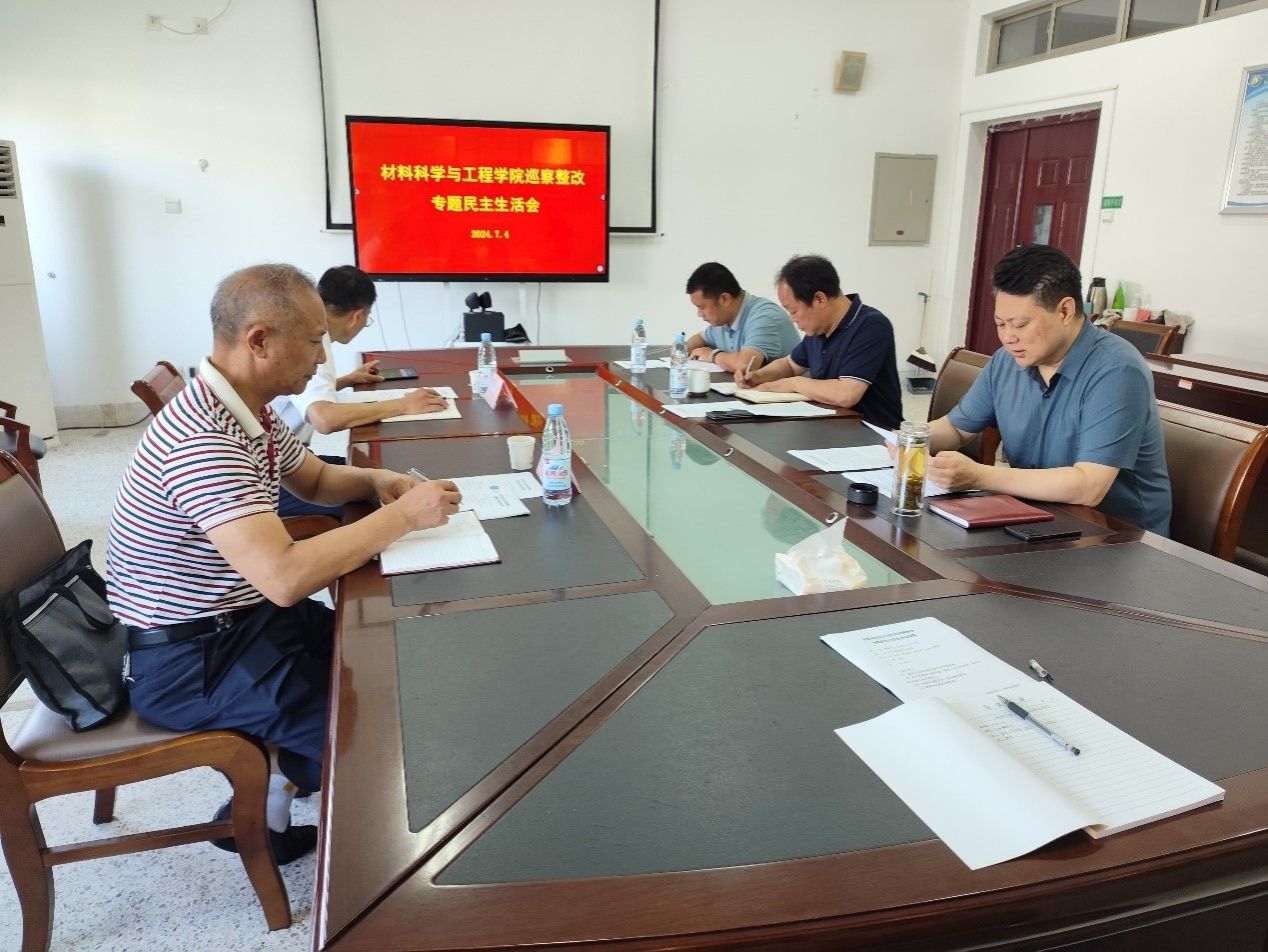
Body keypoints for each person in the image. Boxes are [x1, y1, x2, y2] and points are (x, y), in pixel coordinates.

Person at [106, 263, 461, 862]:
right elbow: (285, 577)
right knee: (370, 747)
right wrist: (403, 517)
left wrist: (377, 480)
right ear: (259, 340)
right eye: (314, 340)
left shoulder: (248, 406)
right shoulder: (203, 438)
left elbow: (315, 478)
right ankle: (337, 841)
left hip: (241, 623)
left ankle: (272, 785)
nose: (323, 357)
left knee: (385, 659)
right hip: (192, 659)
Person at [926, 244, 1171, 534]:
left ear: (1065, 311)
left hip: (1117, 538)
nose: (1008, 337)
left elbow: (1089, 486)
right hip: (1034, 519)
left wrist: (978, 475)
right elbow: (956, 429)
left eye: (1020, 324)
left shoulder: (1117, 371)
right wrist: (907, 438)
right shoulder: (1006, 361)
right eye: (1000, 324)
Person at [274, 264, 448, 518]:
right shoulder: (313, 342)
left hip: (288, 458)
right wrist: (403, 405)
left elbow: (298, 394)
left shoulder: (306, 334)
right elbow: (324, 418)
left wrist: (345, 381)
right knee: (379, 499)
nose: (320, 358)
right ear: (358, 316)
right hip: (275, 480)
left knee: (381, 474)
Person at [737, 254, 903, 429]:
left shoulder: (871, 325)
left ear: (819, 299)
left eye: (793, 311)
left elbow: (846, 394)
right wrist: (758, 376)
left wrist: (794, 383)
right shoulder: (819, 329)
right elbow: (790, 365)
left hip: (871, 432)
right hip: (828, 425)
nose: (792, 319)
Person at [683, 261, 800, 373]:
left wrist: (713, 355)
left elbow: (745, 365)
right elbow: (701, 338)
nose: (699, 314)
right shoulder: (723, 321)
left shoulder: (764, 317)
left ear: (724, 299)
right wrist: (684, 349)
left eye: (702, 307)